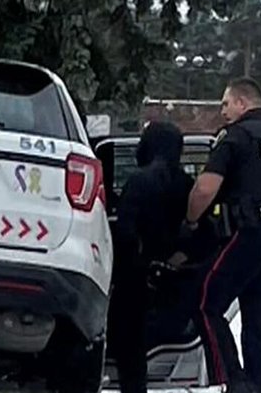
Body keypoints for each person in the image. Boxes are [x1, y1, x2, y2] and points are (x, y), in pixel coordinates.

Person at [185, 78, 261, 393]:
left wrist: (190, 222)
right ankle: (255, 386)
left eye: (226, 103)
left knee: (205, 303)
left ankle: (234, 379)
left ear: (242, 103)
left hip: (248, 232)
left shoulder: (236, 136)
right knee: (257, 324)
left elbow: (204, 189)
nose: (223, 110)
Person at [108, 121, 194, 393]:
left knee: (128, 345)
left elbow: (124, 231)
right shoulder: (188, 185)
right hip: (176, 280)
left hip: (135, 277)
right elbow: (202, 232)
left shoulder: (138, 181)